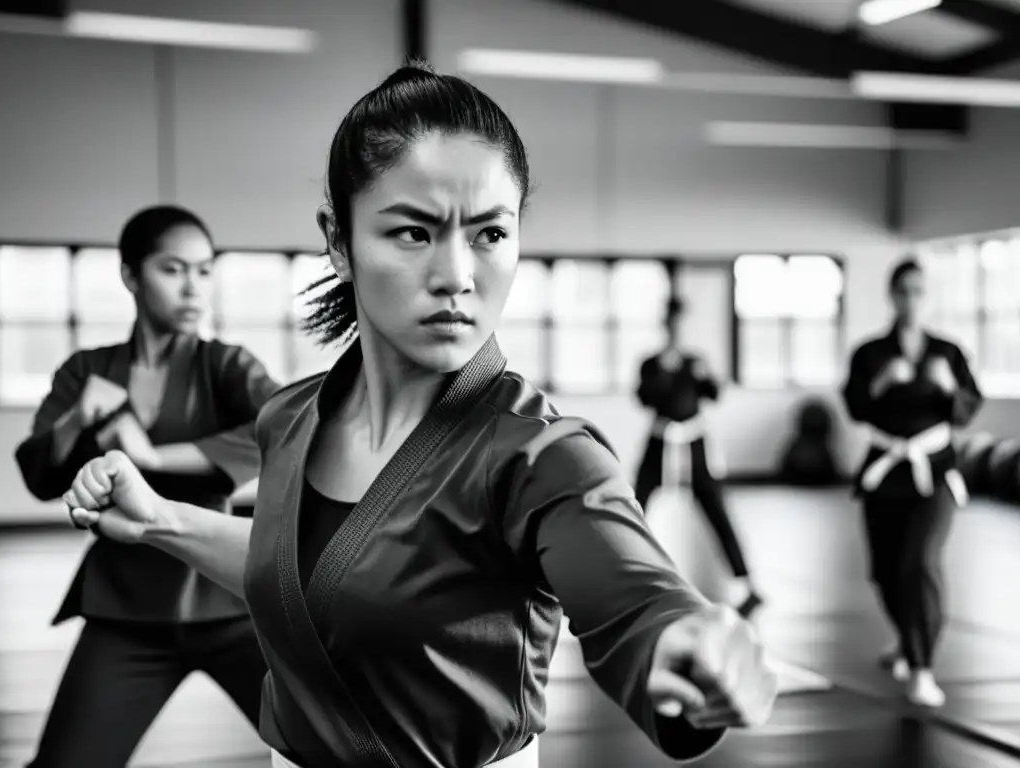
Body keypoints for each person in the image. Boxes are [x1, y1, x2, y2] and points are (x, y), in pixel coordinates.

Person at [63, 63, 778, 768]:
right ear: (338, 242)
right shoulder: (289, 417)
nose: (458, 276)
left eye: (491, 235)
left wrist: (676, 637)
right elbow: (294, 571)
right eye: (413, 233)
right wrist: (157, 518)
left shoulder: (541, 453)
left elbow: (630, 593)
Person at [14, 205, 281, 767]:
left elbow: (284, 432)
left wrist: (150, 455)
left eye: (205, 271)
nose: (194, 288)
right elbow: (38, 474)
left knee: (343, 747)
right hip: (128, 610)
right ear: (131, 276)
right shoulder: (86, 371)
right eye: (173, 269)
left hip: (231, 601)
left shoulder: (227, 365)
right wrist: (77, 418)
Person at [841, 257, 982, 708]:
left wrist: (949, 390)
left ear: (927, 297)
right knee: (884, 571)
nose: (911, 299)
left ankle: (921, 668)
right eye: (904, 290)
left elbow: (967, 407)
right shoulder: (870, 354)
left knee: (920, 561)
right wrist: (881, 383)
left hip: (935, 471)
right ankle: (906, 639)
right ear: (892, 294)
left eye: (919, 291)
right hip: (885, 470)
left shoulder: (948, 353)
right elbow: (856, 408)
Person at [634, 297, 762, 617]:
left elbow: (714, 395)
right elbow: (644, 398)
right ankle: (621, 577)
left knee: (716, 509)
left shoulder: (695, 360)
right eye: (672, 322)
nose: (676, 328)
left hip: (694, 443)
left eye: (681, 322)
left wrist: (706, 375)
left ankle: (744, 583)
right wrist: (662, 373)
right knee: (635, 506)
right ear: (665, 325)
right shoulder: (652, 363)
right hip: (661, 441)